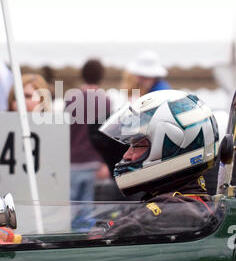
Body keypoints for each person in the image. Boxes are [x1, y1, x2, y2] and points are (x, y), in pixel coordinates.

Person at [88, 89, 221, 239]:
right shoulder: (180, 203)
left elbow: (99, 242)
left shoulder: (174, 211)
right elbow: (103, 225)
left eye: (137, 145)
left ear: (172, 147)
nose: (126, 155)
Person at [65, 59, 111, 230]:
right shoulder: (105, 101)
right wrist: (105, 162)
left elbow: (66, 131)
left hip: (72, 160)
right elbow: (105, 135)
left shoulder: (71, 99)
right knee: (87, 214)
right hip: (94, 161)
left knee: (69, 213)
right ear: (101, 76)